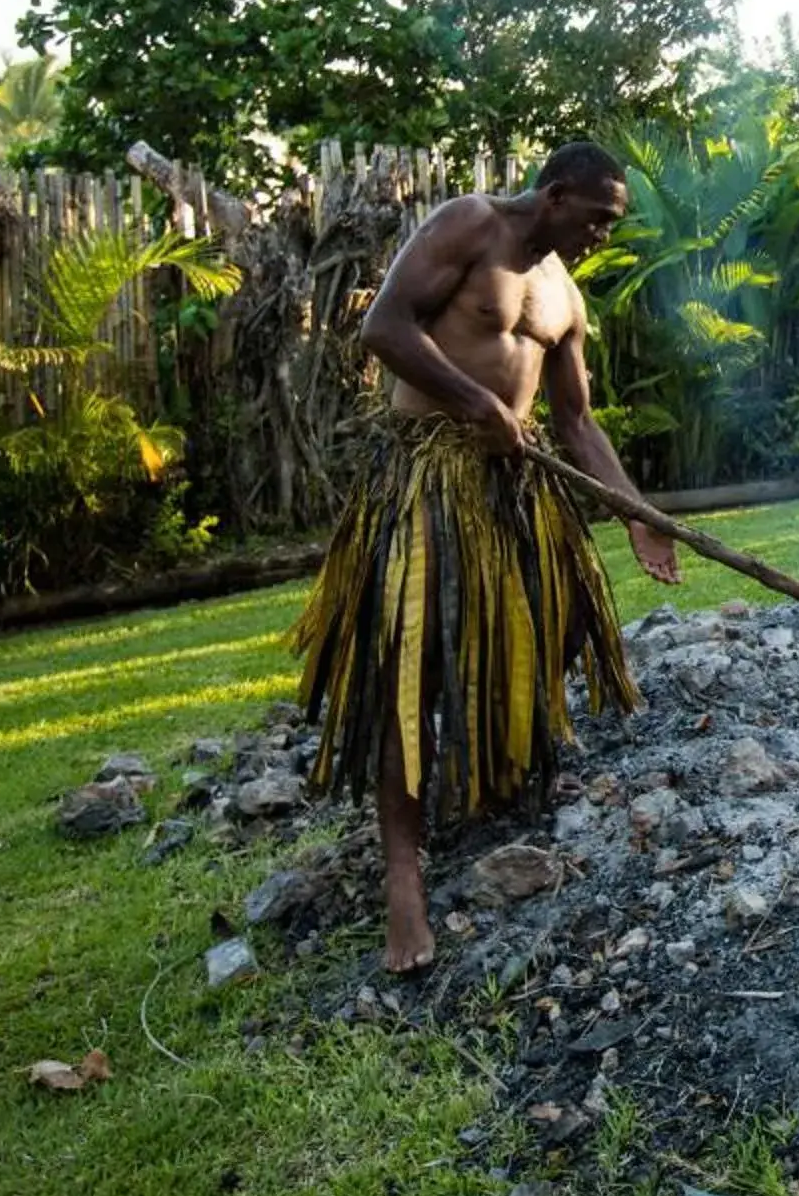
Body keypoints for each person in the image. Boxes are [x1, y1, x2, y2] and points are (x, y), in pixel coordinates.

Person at [291, 141, 683, 972]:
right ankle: (404, 876)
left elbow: (576, 422)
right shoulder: (468, 224)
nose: (602, 238)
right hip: (430, 471)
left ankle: (496, 781)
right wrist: (473, 402)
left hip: (516, 485)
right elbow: (383, 327)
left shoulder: (565, 295)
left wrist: (637, 516)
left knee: (560, 619)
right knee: (412, 667)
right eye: (597, 219)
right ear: (554, 195)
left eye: (612, 226)